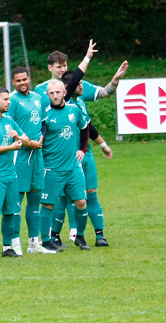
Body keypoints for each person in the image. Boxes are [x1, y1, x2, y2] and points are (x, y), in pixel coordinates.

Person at [47, 43, 127, 248]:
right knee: (63, 199)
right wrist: (87, 57)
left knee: (90, 194)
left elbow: (88, 126)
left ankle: (98, 235)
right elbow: (73, 81)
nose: (81, 85)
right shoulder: (58, 96)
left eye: (65, 65)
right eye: (59, 66)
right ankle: (56, 236)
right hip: (64, 157)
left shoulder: (79, 102)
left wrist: (103, 145)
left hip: (85, 155)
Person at [0, 88, 38, 258]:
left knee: (10, 212)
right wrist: (11, 146)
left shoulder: (9, 120)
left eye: (9, 99)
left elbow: (27, 140)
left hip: (11, 175)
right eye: (5, 99)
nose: (8, 102)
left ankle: (7, 248)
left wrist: (18, 137)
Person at [39, 79, 90, 252]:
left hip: (73, 167)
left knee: (81, 202)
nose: (55, 95)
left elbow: (85, 128)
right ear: (47, 95)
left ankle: (80, 236)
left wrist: (82, 149)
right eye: (51, 93)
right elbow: (39, 138)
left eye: (58, 92)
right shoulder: (44, 115)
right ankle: (46, 241)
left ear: (64, 92)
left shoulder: (74, 110)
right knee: (48, 205)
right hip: (52, 168)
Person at [8, 65, 52, 254]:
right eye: (18, 80)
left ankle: (34, 243)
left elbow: (43, 123)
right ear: (13, 82)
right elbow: (8, 128)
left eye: (24, 79)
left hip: (37, 155)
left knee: (35, 198)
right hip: (20, 155)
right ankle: (14, 242)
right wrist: (28, 143)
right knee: (16, 200)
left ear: (29, 78)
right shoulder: (11, 100)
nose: (22, 83)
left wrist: (41, 137)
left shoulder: (38, 98)